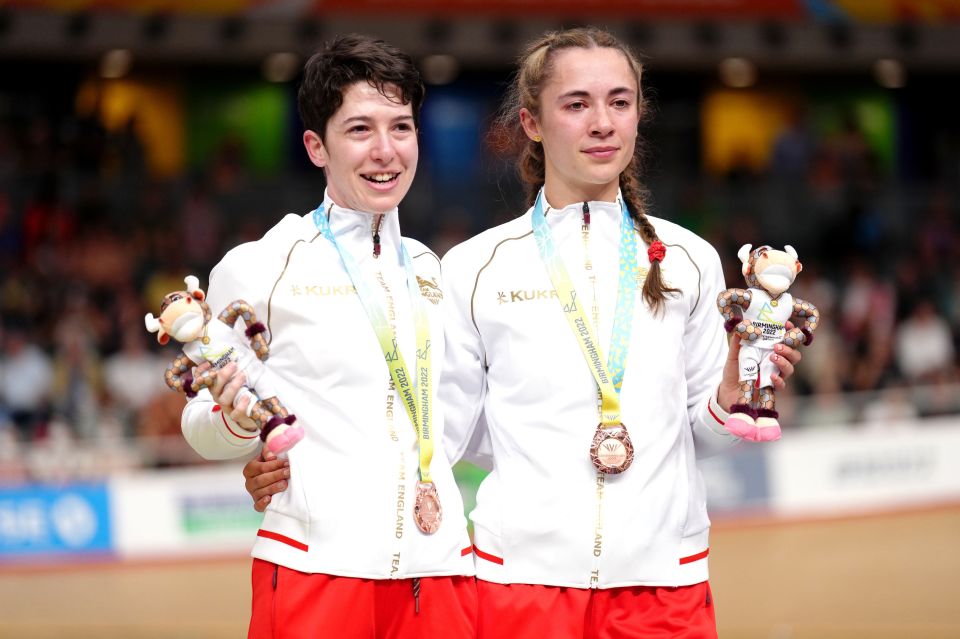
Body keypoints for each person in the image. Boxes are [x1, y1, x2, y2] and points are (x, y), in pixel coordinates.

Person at [245, 27, 804, 638]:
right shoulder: (475, 268)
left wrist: (728, 397)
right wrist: (286, 467)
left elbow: (702, 436)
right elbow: (442, 433)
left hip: (666, 584)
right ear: (532, 123)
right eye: (576, 104)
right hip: (518, 587)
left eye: (620, 102)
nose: (602, 123)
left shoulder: (690, 260)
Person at [180, 34, 476, 639]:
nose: (386, 151)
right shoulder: (263, 265)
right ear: (317, 146)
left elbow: (452, 411)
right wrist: (242, 426)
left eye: (401, 126)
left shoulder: (430, 268)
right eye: (360, 129)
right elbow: (200, 423)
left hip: (440, 565)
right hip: (316, 572)